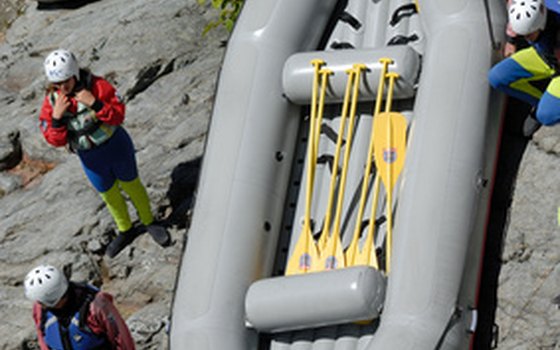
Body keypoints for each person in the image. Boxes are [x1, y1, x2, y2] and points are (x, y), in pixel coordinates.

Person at [39, 49, 170, 257]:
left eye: (66, 81)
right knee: (109, 194)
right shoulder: (53, 102)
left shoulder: (98, 86)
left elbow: (118, 116)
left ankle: (150, 222)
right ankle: (125, 230)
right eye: (57, 83)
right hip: (91, 158)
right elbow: (55, 140)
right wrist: (56, 118)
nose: (62, 87)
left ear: (75, 74)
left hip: (116, 146)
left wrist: (94, 102)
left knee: (132, 185)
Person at [488, 0, 560, 137]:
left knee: (546, 116)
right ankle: (540, 102)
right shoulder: (527, 5)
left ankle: (549, 109)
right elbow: (518, 13)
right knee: (497, 77)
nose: (525, 38)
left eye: (528, 34)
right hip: (544, 55)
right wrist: (511, 41)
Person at [24, 264, 136, 349]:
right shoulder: (40, 308)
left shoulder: (96, 305)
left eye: (42, 302)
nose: (38, 304)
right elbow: (42, 335)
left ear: (54, 300)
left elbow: (121, 337)